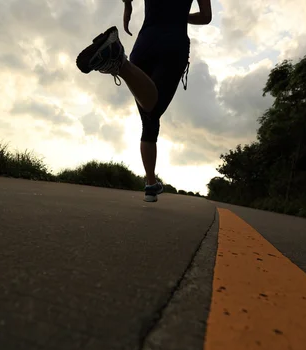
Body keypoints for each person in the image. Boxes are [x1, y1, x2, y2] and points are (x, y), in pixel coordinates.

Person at [76, 0, 213, 202]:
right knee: (153, 107)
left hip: (144, 44)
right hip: (173, 44)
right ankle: (119, 62)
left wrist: (128, 6)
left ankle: (150, 184)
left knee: (149, 118)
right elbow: (206, 16)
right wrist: (179, 15)